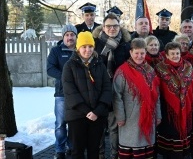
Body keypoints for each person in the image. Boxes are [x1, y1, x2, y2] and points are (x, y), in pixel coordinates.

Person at [62, 31, 112, 159]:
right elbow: (70, 91)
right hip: (77, 116)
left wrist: (98, 111)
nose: (87, 50)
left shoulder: (99, 64)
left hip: (97, 116)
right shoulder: (69, 66)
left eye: (90, 46)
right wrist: (86, 111)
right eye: (84, 46)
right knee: (77, 151)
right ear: (78, 48)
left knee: (94, 150)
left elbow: (107, 88)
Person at [113, 38, 161, 159]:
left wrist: (158, 114)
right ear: (131, 52)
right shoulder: (122, 71)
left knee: (146, 149)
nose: (139, 56)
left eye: (142, 53)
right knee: (131, 148)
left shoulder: (150, 70)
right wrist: (120, 117)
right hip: (130, 119)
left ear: (146, 52)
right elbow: (116, 96)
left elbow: (157, 94)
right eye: (136, 53)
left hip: (149, 117)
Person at [92, 12, 131, 159]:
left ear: (119, 26)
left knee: (114, 127)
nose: (112, 29)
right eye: (109, 26)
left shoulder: (126, 44)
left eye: (115, 26)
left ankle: (114, 154)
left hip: (118, 91)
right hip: (99, 91)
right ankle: (101, 155)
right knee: (100, 127)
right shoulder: (95, 43)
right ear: (103, 27)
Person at [155, 42, 193, 159]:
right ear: (166, 55)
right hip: (168, 110)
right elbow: (157, 89)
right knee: (170, 139)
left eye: (177, 53)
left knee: (182, 136)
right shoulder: (159, 68)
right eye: (172, 54)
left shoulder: (188, 66)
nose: (175, 56)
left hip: (186, 107)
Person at [47, 24, 77, 159]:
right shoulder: (56, 51)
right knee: (60, 123)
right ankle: (60, 149)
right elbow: (50, 69)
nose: (70, 38)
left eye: (72, 35)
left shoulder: (81, 50)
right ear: (63, 36)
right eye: (67, 35)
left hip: (78, 93)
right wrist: (66, 77)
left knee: (75, 122)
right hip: (61, 94)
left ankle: (72, 147)